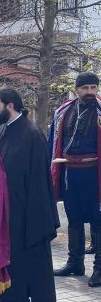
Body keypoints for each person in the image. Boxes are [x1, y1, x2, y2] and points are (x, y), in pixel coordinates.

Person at [0, 88, 59, 302]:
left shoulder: (32, 134)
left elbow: (39, 178)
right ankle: (11, 296)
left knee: (28, 250)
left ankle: (35, 296)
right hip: (6, 205)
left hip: (28, 206)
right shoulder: (0, 130)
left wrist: (33, 211)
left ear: (10, 106)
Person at [49, 72, 101, 287]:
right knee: (74, 218)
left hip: (95, 173)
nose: (90, 92)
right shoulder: (63, 111)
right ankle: (75, 263)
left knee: (98, 219)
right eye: (85, 88)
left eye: (93, 87)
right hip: (70, 172)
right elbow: (53, 141)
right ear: (76, 89)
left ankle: (99, 268)